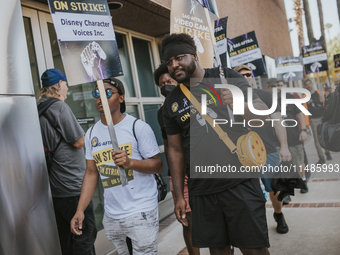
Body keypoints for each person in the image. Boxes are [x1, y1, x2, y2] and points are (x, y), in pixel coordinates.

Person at [162, 33, 270, 255]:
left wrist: (239, 103)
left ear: (194, 56)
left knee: (253, 249)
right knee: (218, 251)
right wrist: (180, 197)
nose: (174, 65)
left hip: (238, 181)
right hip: (201, 190)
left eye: (179, 58)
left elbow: (261, 118)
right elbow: (175, 149)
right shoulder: (171, 103)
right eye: (169, 62)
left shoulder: (225, 77)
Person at [70, 77, 163, 255]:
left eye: (107, 93)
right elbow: (91, 174)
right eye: (96, 93)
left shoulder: (138, 127)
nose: (100, 98)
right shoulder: (91, 133)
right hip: (112, 214)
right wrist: (80, 210)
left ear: (121, 98)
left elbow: (157, 165)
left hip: (141, 209)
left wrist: (130, 162)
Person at [38, 68, 97, 255]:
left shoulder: (39, 109)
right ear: (59, 84)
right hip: (73, 186)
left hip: (57, 188)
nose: (68, 88)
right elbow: (79, 141)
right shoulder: (59, 107)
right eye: (66, 84)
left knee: (67, 240)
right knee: (84, 235)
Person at [234, 67, 291, 234]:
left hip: (268, 151)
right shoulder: (228, 98)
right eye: (240, 75)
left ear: (252, 76)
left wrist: (284, 146)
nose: (244, 77)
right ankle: (256, 224)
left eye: (247, 74)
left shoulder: (266, 96)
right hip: (241, 154)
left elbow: (278, 122)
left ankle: (278, 214)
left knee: (274, 189)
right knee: (248, 193)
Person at [154, 63, 200, 255]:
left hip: (203, 169)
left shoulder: (197, 98)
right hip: (181, 174)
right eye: (162, 83)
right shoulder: (162, 112)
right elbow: (170, 146)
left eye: (169, 81)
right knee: (187, 220)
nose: (166, 85)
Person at [267, 80, 309, 193]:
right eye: (274, 86)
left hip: (294, 136)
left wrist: (303, 130)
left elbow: (300, 114)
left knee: (298, 161)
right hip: (275, 140)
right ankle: (285, 188)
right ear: (269, 88)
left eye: (279, 85)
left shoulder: (291, 97)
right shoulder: (267, 100)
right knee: (281, 165)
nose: (277, 87)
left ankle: (303, 180)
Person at [303, 79, 332, 164]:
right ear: (305, 86)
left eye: (310, 83)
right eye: (307, 84)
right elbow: (305, 110)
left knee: (325, 136)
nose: (309, 85)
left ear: (312, 84)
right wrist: (306, 124)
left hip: (322, 118)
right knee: (317, 139)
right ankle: (321, 157)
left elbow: (328, 104)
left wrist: (324, 99)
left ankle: (327, 152)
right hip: (313, 120)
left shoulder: (320, 92)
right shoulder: (305, 96)